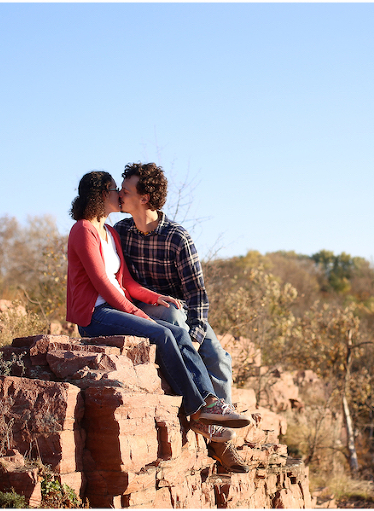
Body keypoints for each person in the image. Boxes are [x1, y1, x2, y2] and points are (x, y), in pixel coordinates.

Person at [65, 171, 250, 442]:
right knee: (162, 333)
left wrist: (155, 299)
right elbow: (103, 283)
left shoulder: (111, 232)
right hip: (96, 315)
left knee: (178, 333)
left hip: (117, 310)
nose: (119, 193)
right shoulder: (82, 230)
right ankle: (197, 411)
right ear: (103, 194)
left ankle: (210, 401)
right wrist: (139, 313)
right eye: (115, 188)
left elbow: (125, 280)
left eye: (122, 189)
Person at [113, 162, 249, 473]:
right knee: (172, 313)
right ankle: (205, 412)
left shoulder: (177, 238)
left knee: (220, 358)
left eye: (126, 190)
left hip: (184, 314)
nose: (120, 194)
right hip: (141, 309)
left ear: (145, 198)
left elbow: (198, 296)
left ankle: (220, 439)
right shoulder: (119, 233)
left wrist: (197, 338)